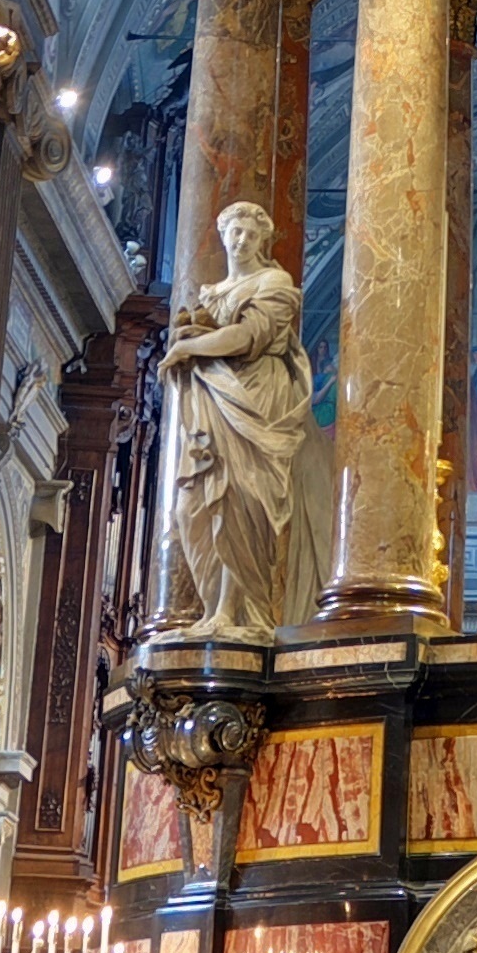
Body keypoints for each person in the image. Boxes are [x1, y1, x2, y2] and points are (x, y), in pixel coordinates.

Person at [162, 201, 313, 637]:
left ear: (263, 242)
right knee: (196, 504)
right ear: (223, 235)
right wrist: (192, 339)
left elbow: (248, 336)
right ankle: (211, 611)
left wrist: (190, 347)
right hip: (212, 401)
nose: (243, 240)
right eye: (236, 232)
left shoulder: (275, 283)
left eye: (252, 234)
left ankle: (238, 614)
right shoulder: (211, 293)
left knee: (243, 501)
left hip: (257, 400)